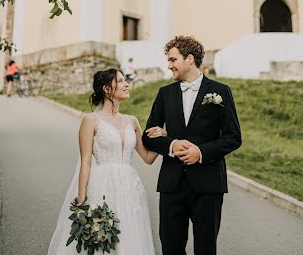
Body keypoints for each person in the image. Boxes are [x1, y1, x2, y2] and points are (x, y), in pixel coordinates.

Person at [142, 35, 242, 255]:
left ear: (189, 59)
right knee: (170, 247)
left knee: (205, 249)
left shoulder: (220, 91)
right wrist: (172, 144)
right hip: (172, 184)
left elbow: (233, 137)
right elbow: (148, 136)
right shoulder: (165, 94)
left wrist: (201, 152)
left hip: (208, 185)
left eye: (172, 60)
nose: (169, 65)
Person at [48, 68, 164, 254]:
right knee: (101, 241)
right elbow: (86, 162)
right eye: (120, 80)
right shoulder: (90, 120)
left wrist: (162, 138)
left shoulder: (132, 121)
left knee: (130, 237)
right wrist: (81, 199)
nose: (127, 84)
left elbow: (148, 158)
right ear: (107, 89)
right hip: (101, 187)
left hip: (130, 189)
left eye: (125, 80)